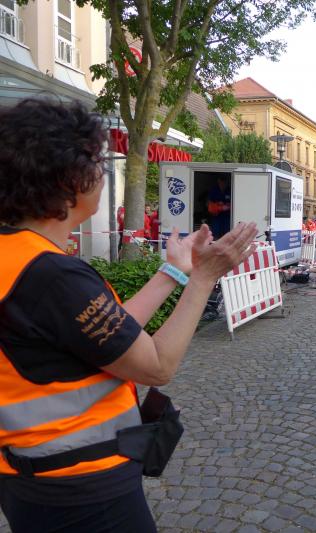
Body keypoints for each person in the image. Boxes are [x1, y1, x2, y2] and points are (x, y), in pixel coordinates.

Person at [0, 98, 259, 532]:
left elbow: (112, 330)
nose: (103, 172)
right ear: (70, 179)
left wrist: (174, 270)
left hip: (29, 476)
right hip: (81, 487)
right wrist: (204, 279)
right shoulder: (52, 276)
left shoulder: (18, 257)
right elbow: (156, 365)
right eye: (97, 162)